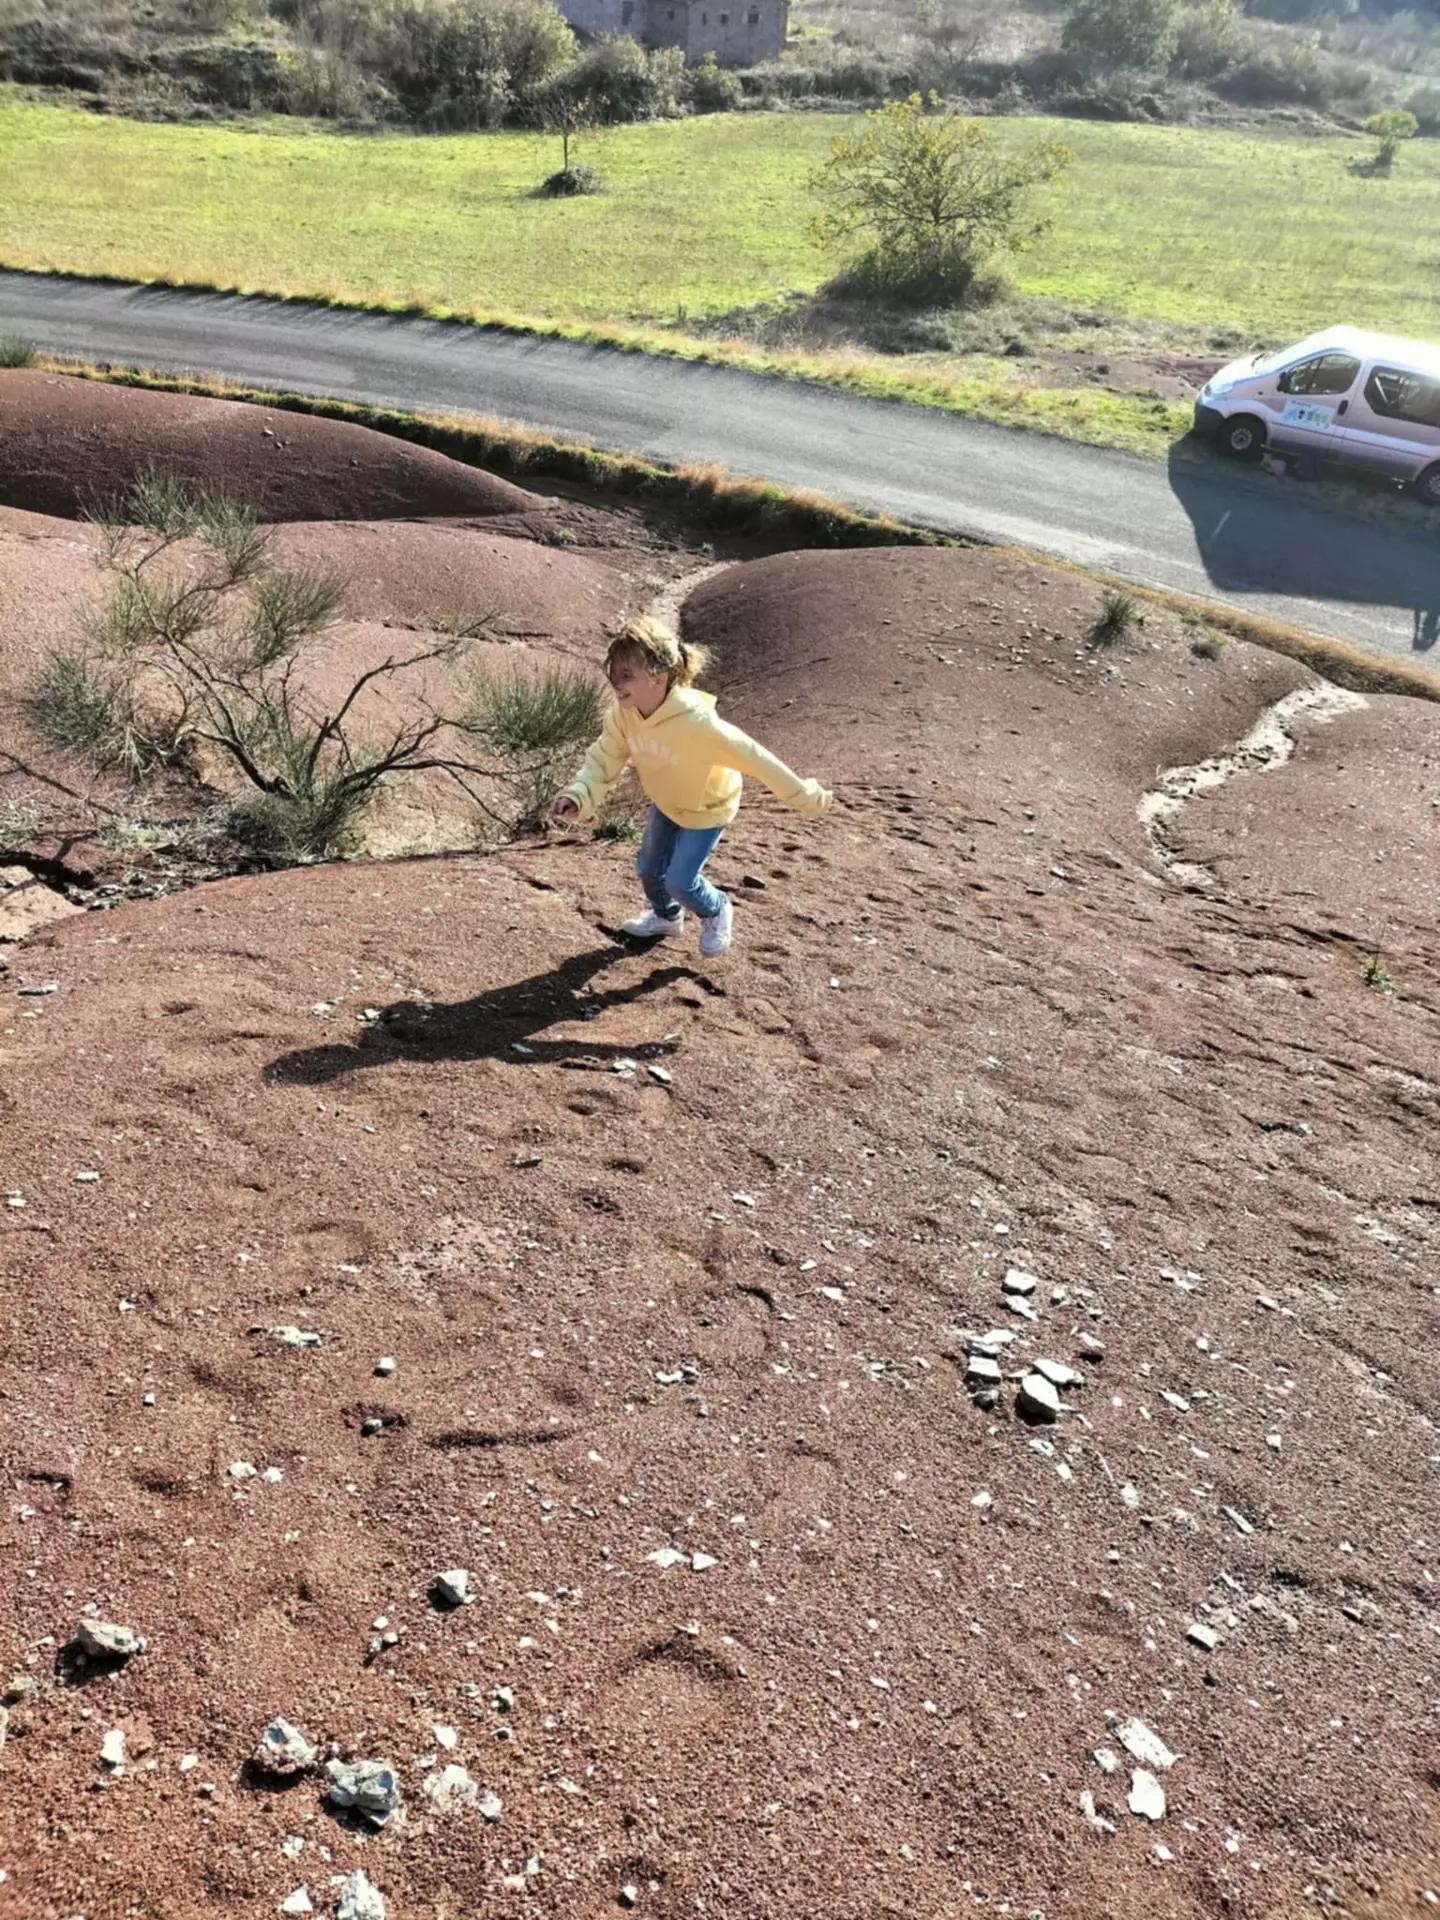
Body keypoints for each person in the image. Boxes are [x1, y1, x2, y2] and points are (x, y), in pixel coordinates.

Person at [550, 616, 831, 958]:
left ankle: (716, 910)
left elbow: (757, 758)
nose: (615, 683)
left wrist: (805, 796)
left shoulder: (698, 725)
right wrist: (578, 795)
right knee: (649, 871)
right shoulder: (624, 715)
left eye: (626, 675)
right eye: (613, 674)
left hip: (706, 808)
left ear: (658, 677)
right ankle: (667, 918)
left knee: (680, 882)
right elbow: (604, 760)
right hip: (666, 802)